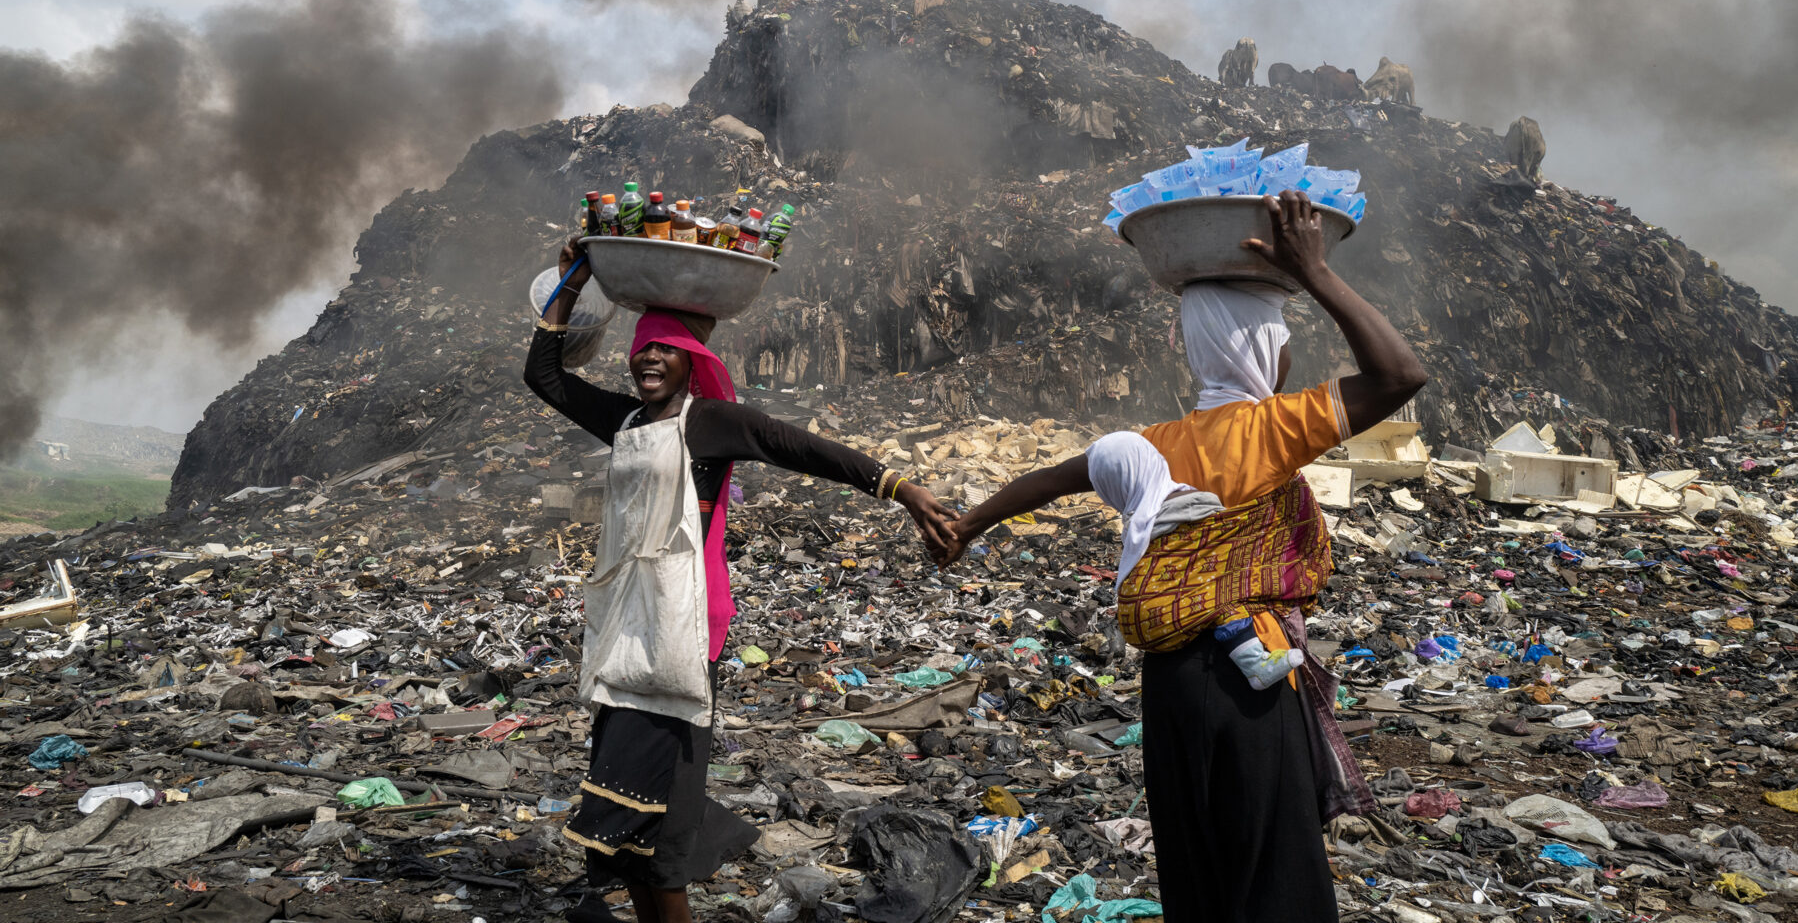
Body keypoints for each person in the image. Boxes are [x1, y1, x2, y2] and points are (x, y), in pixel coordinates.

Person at [934, 191, 1427, 923]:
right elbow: (1399, 375)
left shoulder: (1150, 445)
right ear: (1261, 344)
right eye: (1281, 334)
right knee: (1274, 871)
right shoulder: (1273, 428)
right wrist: (1316, 273)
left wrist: (967, 524)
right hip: (1249, 680)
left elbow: (1050, 478)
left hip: (1169, 685)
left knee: (1198, 869)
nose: (1289, 351)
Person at [527, 234, 958, 923]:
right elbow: (545, 380)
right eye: (641, 348)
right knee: (620, 823)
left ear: (691, 359)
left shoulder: (711, 423)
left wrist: (901, 489)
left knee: (661, 826)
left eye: (664, 349)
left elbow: (803, 448)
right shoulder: (629, 421)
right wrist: (574, 286)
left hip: (685, 628)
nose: (649, 359)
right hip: (627, 625)